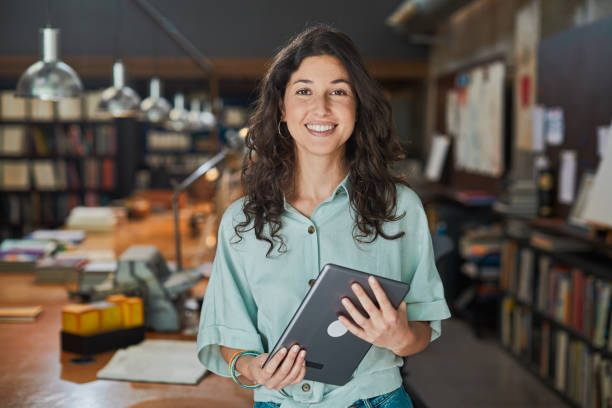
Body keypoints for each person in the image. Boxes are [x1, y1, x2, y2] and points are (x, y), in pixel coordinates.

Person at [197, 25, 451, 408]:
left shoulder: (400, 208)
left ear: (357, 106)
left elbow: (423, 327)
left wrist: (400, 337)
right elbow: (233, 340)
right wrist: (255, 368)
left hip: (376, 399)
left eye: (338, 91)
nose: (321, 108)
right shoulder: (241, 222)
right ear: (282, 109)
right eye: (303, 91)